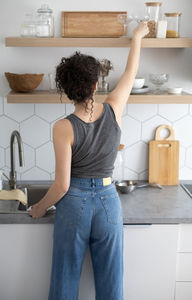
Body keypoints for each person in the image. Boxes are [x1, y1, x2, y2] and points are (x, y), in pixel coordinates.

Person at [29, 22, 149, 300]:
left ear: (68, 91)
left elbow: (61, 186)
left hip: (73, 204)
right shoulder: (114, 108)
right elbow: (131, 74)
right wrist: (137, 38)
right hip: (109, 201)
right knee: (111, 285)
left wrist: (38, 208)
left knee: (64, 280)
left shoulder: (62, 127)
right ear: (96, 85)